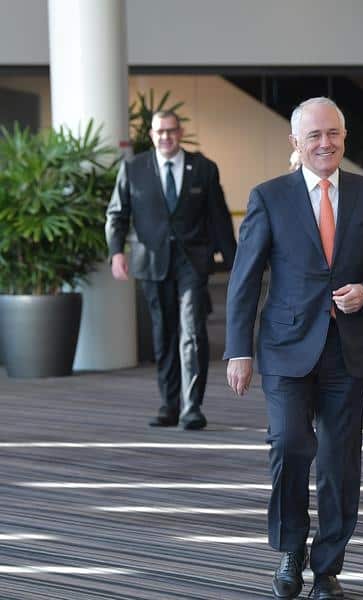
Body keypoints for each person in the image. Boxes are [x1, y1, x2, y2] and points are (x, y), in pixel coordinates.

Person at [225, 97, 363, 600]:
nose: (325, 144)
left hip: (348, 350)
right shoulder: (269, 197)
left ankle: (327, 567)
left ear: (344, 137)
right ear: (295, 144)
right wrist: (239, 350)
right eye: (314, 136)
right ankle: (289, 550)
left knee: (338, 461)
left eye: (334, 134)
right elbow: (245, 279)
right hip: (285, 347)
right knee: (289, 444)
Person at [106, 110, 236, 430]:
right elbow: (117, 214)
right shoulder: (133, 169)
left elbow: (219, 217)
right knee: (164, 334)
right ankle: (169, 404)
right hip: (151, 262)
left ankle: (192, 407)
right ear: (151, 135)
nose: (165, 137)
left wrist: (236, 261)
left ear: (180, 132)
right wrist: (115, 253)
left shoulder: (203, 168)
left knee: (192, 331)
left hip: (192, 261)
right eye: (159, 132)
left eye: (171, 131)